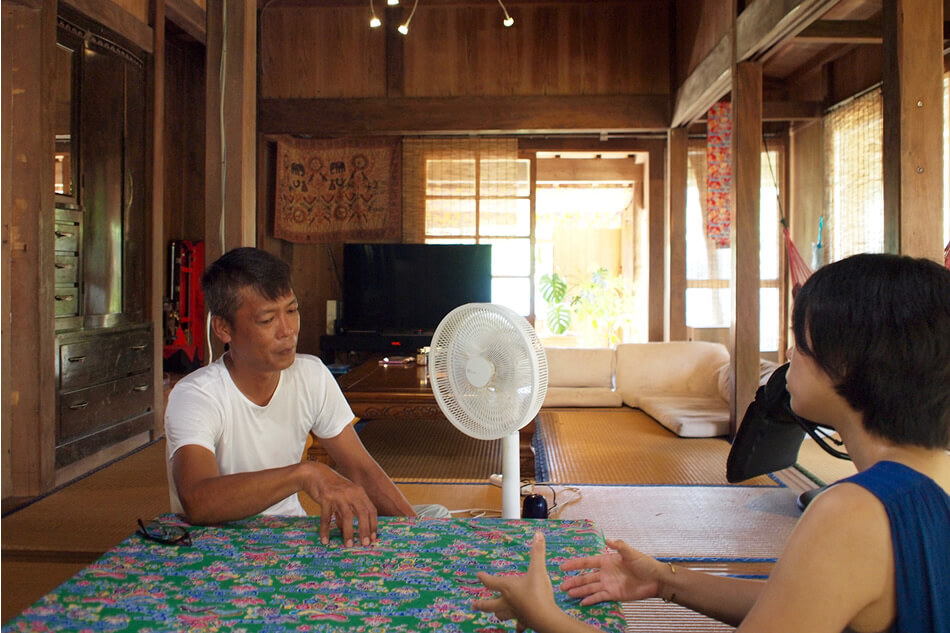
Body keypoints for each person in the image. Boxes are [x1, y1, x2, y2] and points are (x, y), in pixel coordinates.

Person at [474, 253, 950, 633]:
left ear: (848, 363)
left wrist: (550, 620)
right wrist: (666, 581)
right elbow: (795, 601)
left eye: (800, 343)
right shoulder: (931, 479)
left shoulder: (853, 514)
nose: (788, 356)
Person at [165, 247, 445, 548]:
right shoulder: (197, 395)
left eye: (292, 310)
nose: (287, 331)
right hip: (218, 546)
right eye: (267, 319)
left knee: (435, 517)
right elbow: (198, 501)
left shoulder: (310, 375)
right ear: (223, 328)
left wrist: (418, 537)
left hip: (292, 536)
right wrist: (304, 473)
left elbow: (361, 469)